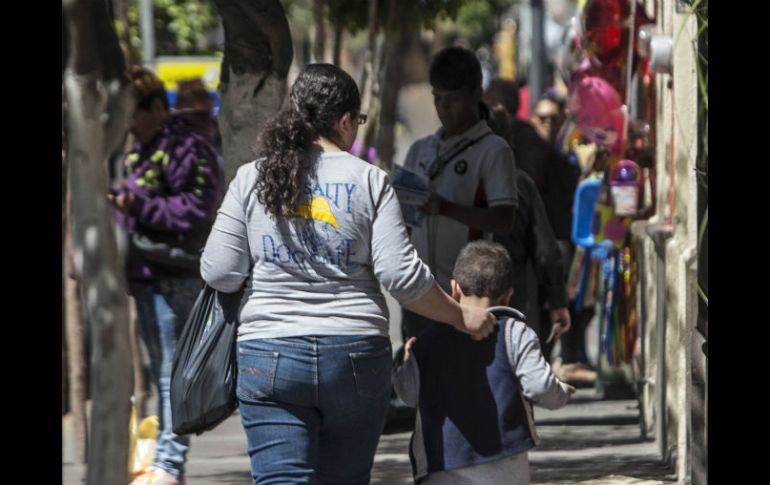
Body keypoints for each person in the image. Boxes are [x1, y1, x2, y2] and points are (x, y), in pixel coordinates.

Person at [200, 63, 496, 484]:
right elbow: (401, 277)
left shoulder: (251, 178)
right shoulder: (370, 180)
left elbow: (220, 271)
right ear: (343, 121)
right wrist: (459, 315)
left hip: (269, 356)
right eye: (356, 121)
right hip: (354, 356)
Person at [112, 65, 224, 485]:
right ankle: (164, 461)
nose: (126, 125)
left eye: (131, 113)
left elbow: (198, 208)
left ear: (157, 108)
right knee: (165, 372)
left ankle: (170, 465)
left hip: (174, 275)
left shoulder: (184, 147)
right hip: (147, 277)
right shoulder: (143, 147)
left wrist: (135, 207)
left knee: (171, 374)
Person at [393, 240, 575, 484]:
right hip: (505, 466)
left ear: (454, 288)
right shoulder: (515, 333)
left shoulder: (427, 342)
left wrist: (407, 362)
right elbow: (540, 387)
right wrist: (561, 392)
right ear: (508, 295)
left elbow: (408, 395)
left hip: (443, 466)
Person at [401, 46, 518, 340]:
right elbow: (403, 222)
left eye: (453, 99)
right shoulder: (420, 150)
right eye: (438, 99)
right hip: (419, 295)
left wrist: (447, 208)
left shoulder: (493, 150)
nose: (444, 108)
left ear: (476, 94)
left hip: (468, 300)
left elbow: (504, 218)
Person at [485, 104, 571, 359]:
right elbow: (546, 250)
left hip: (458, 298)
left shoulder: (451, 182)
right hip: (513, 297)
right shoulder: (520, 183)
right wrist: (557, 301)